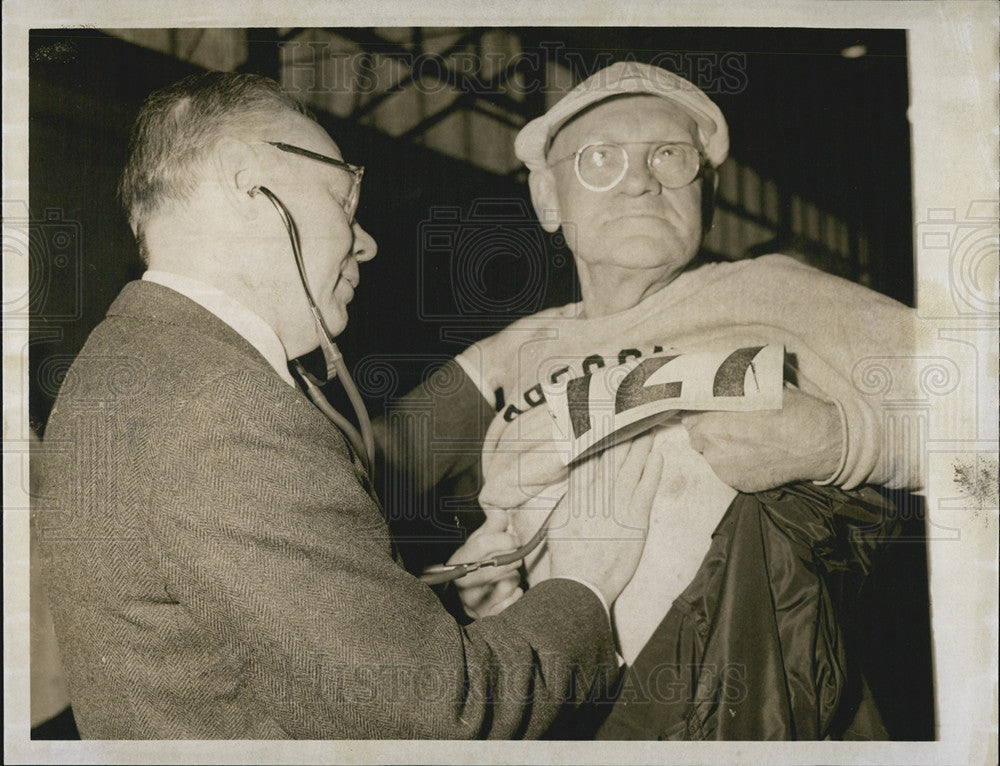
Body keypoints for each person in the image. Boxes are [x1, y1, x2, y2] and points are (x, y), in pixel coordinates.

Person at [32, 71, 666, 739]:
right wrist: (586, 589)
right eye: (344, 198)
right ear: (246, 178)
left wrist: (503, 358)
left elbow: (304, 551)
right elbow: (436, 713)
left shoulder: (133, 363)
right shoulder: (221, 408)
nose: (364, 240)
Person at [378, 61, 922, 739]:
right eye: (601, 158)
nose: (640, 179)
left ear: (707, 189)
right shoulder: (506, 355)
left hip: (763, 716)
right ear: (550, 200)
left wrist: (843, 443)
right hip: (574, 720)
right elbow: (349, 474)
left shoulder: (776, 292)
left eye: (671, 155)